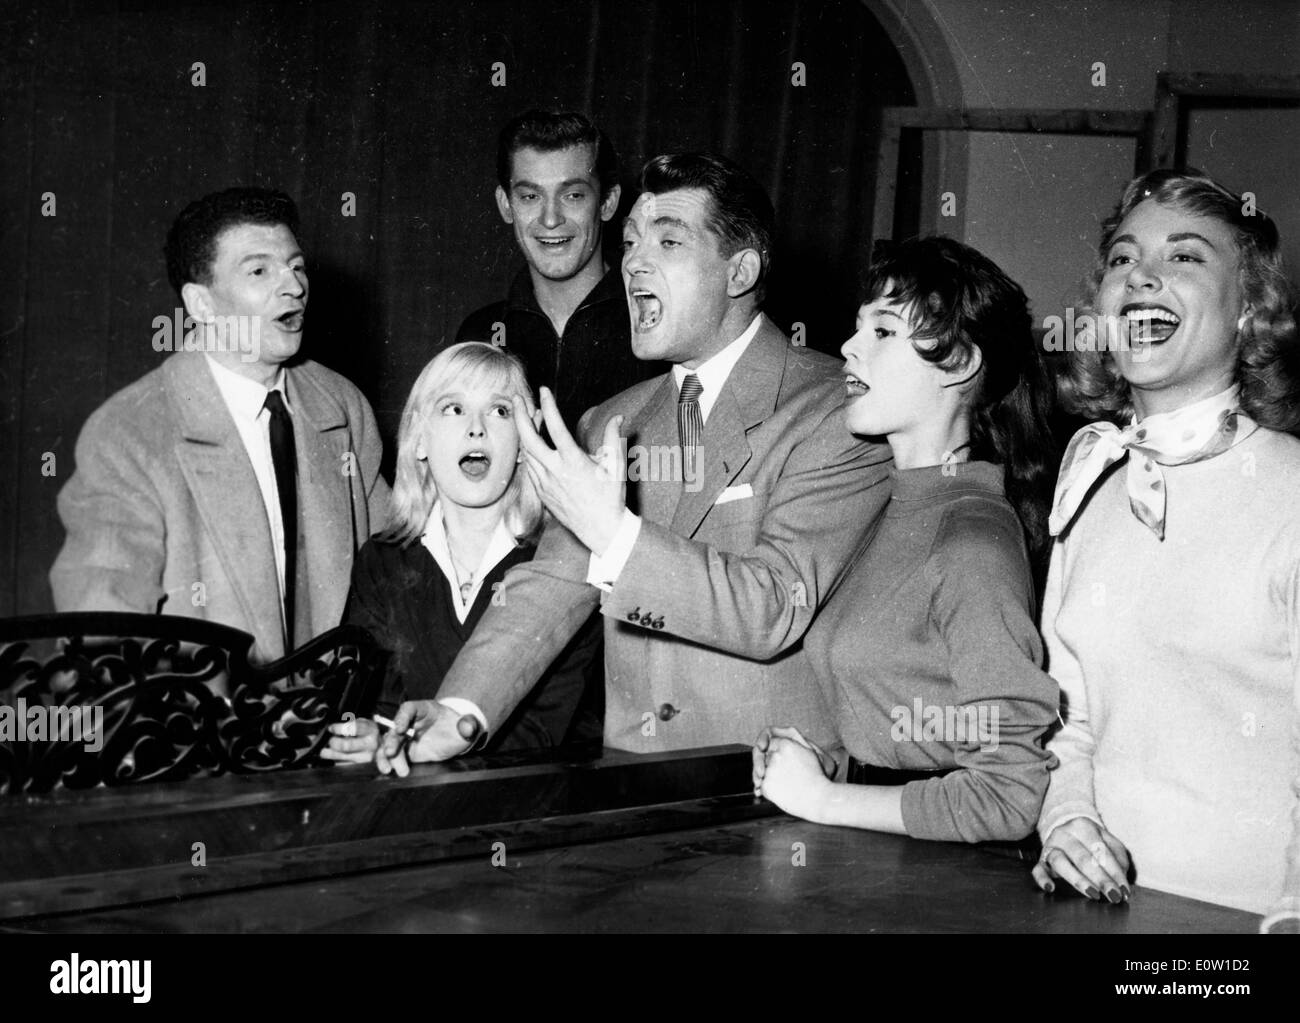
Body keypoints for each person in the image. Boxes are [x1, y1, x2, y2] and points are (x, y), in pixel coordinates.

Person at [374, 152, 894, 772]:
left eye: (668, 241)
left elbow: (774, 605)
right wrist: (461, 710)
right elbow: (550, 587)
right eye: (629, 242)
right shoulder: (610, 420)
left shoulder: (840, 412)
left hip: (775, 793)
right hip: (631, 785)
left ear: (740, 271)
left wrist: (614, 533)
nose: (633, 263)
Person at [1029, 169, 1300, 931]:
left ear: (1250, 308)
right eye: (1123, 258)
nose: (1141, 276)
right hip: (1094, 915)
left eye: (1184, 256)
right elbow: (1069, 718)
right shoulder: (1091, 485)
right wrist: (1067, 820)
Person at [751, 237, 1060, 844]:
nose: (849, 346)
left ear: (960, 362)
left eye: (883, 331)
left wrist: (825, 798)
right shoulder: (893, 508)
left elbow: (1009, 796)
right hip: (879, 851)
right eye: (858, 327)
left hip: (944, 874)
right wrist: (823, 767)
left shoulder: (972, 541)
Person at [49, 187, 390, 663]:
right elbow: (104, 628)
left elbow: (394, 574)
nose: (293, 286)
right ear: (202, 304)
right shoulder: (128, 432)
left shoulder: (342, 405)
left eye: (296, 266)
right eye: (259, 271)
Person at [322, 343, 601, 763]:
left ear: (525, 443)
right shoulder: (381, 561)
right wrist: (373, 737)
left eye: (500, 411)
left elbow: (552, 726)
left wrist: (417, 745)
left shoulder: (561, 563)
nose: (476, 429)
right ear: (420, 438)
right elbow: (373, 702)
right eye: (453, 409)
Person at [453, 109, 661, 426]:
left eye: (573, 195)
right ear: (506, 204)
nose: (550, 219)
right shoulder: (480, 333)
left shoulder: (658, 325)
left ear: (607, 202)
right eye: (530, 196)